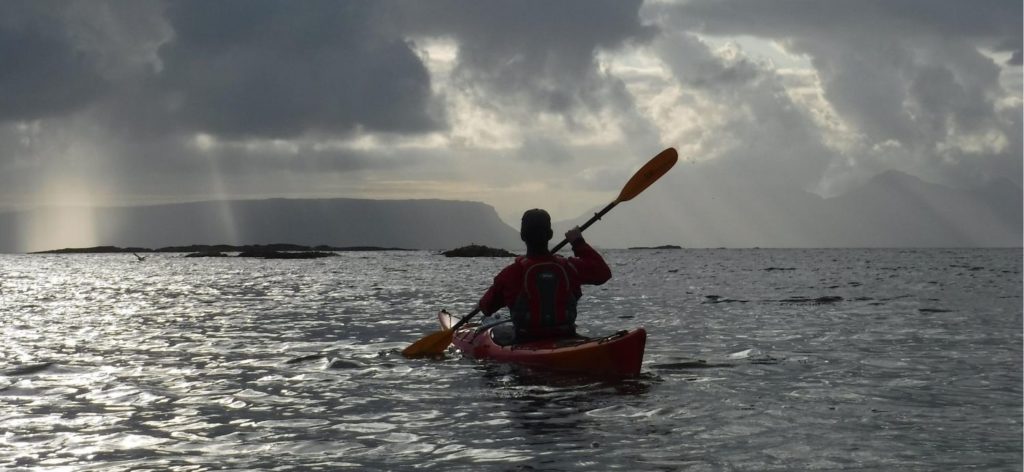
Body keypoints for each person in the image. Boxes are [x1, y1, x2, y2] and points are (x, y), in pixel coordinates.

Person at [477, 209, 611, 342]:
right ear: (550, 235)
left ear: (523, 236)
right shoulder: (569, 267)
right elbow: (603, 273)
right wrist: (578, 242)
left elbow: (486, 307)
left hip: (525, 339)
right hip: (567, 336)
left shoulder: (510, 274)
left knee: (496, 330)